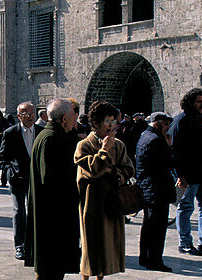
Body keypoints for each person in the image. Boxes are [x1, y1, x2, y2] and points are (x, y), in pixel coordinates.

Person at [75, 100, 135, 279]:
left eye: (113, 120)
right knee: (92, 243)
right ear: (96, 123)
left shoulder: (119, 145)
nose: (111, 124)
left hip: (113, 202)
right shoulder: (84, 145)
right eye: (107, 120)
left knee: (109, 245)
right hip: (91, 203)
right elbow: (91, 171)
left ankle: (102, 276)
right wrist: (103, 152)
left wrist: (114, 172)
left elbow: (129, 169)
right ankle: (86, 276)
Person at [26, 99, 81, 280]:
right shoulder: (51, 139)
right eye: (74, 114)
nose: (76, 118)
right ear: (65, 118)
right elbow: (52, 181)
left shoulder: (52, 135)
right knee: (51, 270)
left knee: (50, 270)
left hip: (51, 219)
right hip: (53, 220)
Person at [170, 87, 202, 256]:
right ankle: (184, 242)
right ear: (191, 102)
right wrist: (180, 175)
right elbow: (174, 150)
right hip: (188, 175)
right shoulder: (180, 121)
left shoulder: (201, 120)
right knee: (185, 207)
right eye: (199, 101)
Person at [136, 111, 177, 272]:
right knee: (157, 228)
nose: (167, 128)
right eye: (165, 124)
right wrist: (169, 146)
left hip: (148, 188)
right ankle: (154, 260)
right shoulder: (156, 140)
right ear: (157, 123)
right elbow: (168, 163)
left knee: (148, 225)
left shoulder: (144, 135)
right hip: (157, 189)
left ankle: (144, 257)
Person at [0, 101, 38, 261]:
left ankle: (35, 244)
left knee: (36, 212)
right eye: (26, 114)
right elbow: (2, 156)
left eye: (32, 113)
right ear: (19, 116)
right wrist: (10, 171)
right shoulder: (10, 133)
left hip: (37, 179)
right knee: (19, 212)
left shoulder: (42, 132)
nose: (30, 117)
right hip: (17, 178)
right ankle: (20, 245)